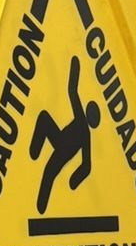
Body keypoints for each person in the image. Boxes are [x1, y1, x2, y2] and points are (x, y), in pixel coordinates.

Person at [30, 54, 101, 214]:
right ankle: (34, 151)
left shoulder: (83, 124)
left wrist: (74, 181)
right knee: (49, 172)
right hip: (60, 142)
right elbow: (86, 165)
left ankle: (40, 208)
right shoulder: (86, 133)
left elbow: (72, 91)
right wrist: (74, 180)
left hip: (61, 149)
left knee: (48, 172)